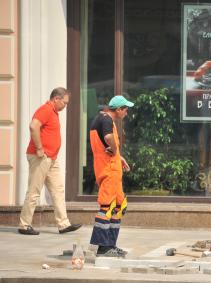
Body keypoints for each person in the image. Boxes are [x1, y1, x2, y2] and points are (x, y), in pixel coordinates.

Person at [18, 87, 82, 235]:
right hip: (40, 157)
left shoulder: (53, 112)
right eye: (64, 103)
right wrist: (39, 148)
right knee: (34, 191)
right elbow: (33, 126)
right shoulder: (46, 109)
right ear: (56, 99)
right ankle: (24, 225)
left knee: (58, 190)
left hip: (51, 158)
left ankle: (63, 224)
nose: (65, 106)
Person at [88, 95, 134, 257]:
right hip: (109, 172)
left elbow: (102, 144)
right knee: (107, 206)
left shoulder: (99, 119)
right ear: (119, 109)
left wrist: (118, 156)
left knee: (119, 206)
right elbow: (108, 138)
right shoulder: (107, 120)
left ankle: (109, 245)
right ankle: (102, 246)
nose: (126, 113)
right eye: (126, 110)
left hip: (110, 169)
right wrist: (114, 150)